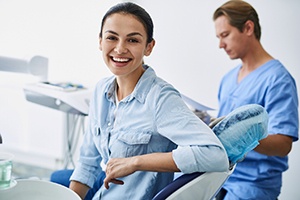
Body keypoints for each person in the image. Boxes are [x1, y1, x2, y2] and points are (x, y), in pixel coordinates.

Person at [67, 2, 229, 199]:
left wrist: (136, 162)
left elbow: (215, 155)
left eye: (132, 40)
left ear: (149, 47)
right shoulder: (101, 91)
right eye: (111, 37)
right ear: (100, 41)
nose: (119, 49)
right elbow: (87, 163)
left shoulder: (160, 98)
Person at [212, 1, 299, 199]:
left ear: (248, 28)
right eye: (218, 37)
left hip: (252, 188)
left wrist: (245, 136)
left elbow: (284, 143)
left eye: (225, 35)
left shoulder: (278, 79)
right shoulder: (228, 80)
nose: (220, 45)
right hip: (219, 180)